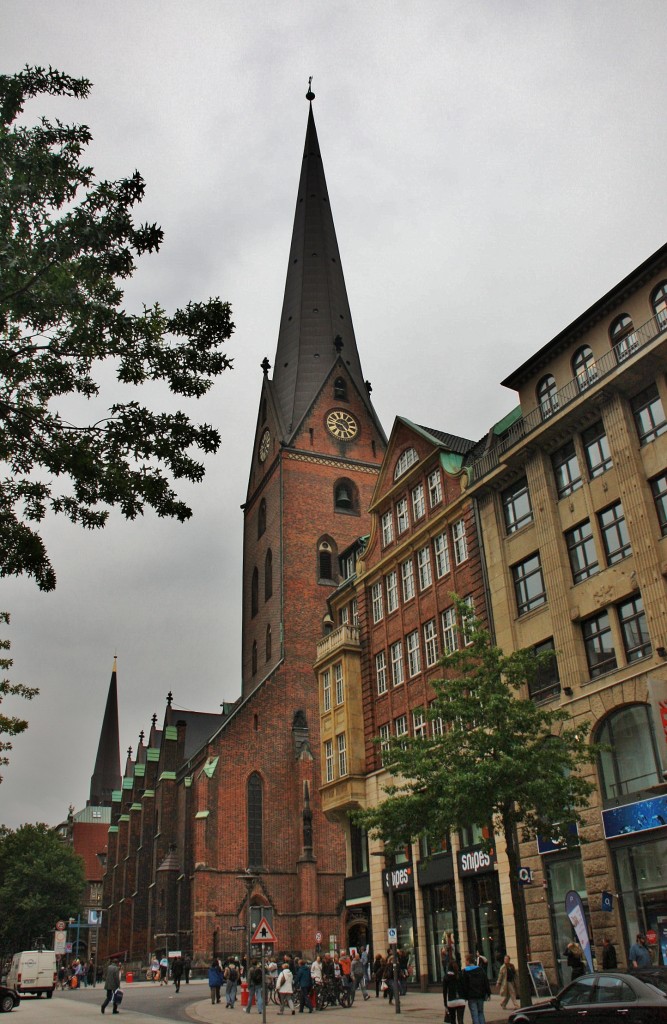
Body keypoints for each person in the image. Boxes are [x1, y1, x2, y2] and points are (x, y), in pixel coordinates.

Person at [460, 952, 491, 1024]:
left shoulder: (465, 972)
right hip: (480, 995)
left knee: (474, 1015)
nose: (465, 962)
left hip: (471, 996)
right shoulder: (480, 970)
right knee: (481, 1013)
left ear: (468, 961)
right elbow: (485, 981)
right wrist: (488, 993)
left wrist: (464, 996)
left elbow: (464, 985)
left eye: (465, 960)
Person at [443, 957, 466, 1024]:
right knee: (460, 1020)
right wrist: (465, 997)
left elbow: (444, 991)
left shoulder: (446, 977)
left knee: (453, 1020)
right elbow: (464, 986)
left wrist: (445, 1003)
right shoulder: (460, 975)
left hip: (451, 1001)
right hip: (461, 1000)